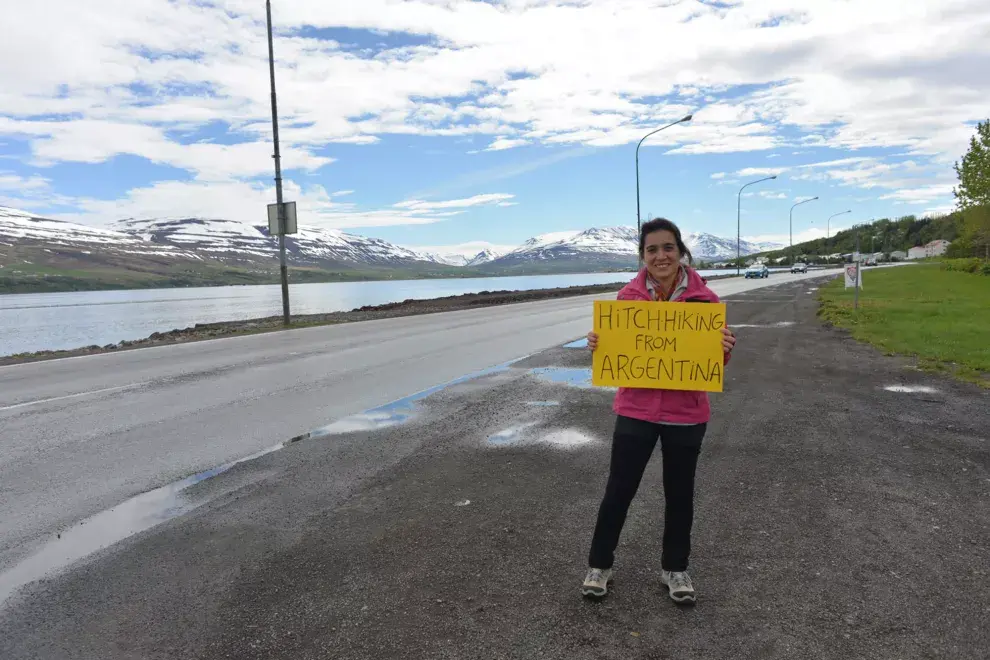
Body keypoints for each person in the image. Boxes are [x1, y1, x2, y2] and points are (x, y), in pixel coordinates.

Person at [581, 217, 736, 605]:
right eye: (652, 249)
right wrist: (599, 343)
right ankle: (599, 565)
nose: (661, 255)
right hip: (636, 410)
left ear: (680, 252)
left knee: (680, 495)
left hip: (686, 414)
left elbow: (712, 360)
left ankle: (675, 569)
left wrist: (724, 348)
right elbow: (616, 350)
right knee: (618, 491)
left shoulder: (706, 300)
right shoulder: (626, 299)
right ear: (643, 256)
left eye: (668, 247)